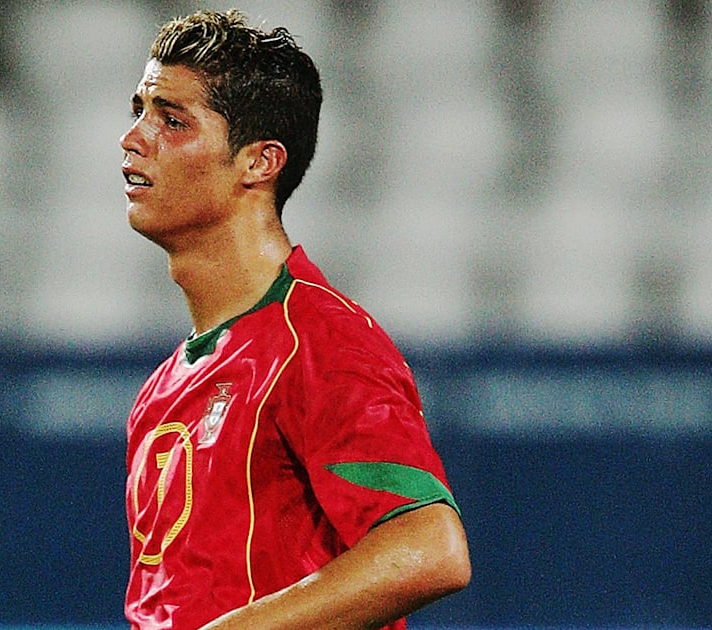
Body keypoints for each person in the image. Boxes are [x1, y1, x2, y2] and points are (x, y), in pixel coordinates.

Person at [119, 9, 470, 629]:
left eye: (172, 120)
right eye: (139, 112)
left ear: (260, 162)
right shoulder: (164, 387)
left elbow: (429, 551)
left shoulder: (319, 341)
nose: (133, 138)